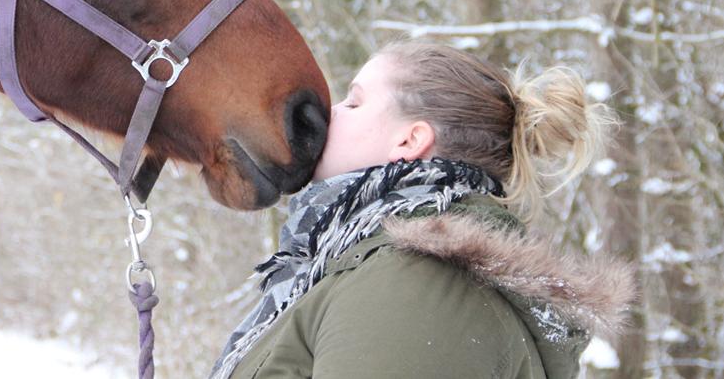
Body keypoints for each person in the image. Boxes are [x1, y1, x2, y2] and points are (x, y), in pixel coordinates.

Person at [211, 40, 634, 379]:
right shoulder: (365, 268)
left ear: (410, 141)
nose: (331, 114)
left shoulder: (416, 280)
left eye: (354, 103)